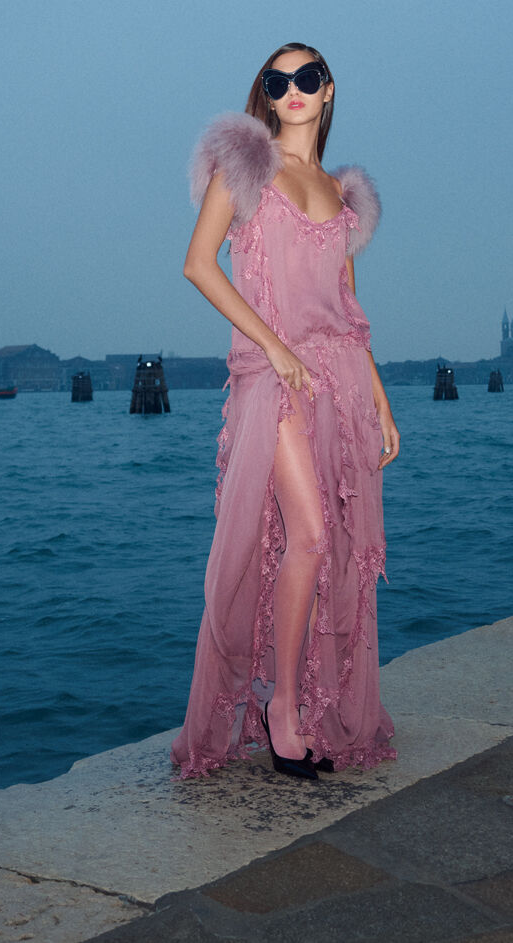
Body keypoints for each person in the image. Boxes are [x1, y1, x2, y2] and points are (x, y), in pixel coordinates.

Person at [171, 42, 399, 781]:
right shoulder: (245, 165)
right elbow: (198, 264)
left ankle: (299, 705)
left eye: (307, 78)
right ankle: (283, 710)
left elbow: (349, 310)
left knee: (331, 545)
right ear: (265, 93)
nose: (292, 89)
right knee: (307, 534)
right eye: (278, 80)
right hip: (272, 377)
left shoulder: (341, 193)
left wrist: (381, 398)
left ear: (328, 91)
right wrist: (273, 347)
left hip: (339, 380)